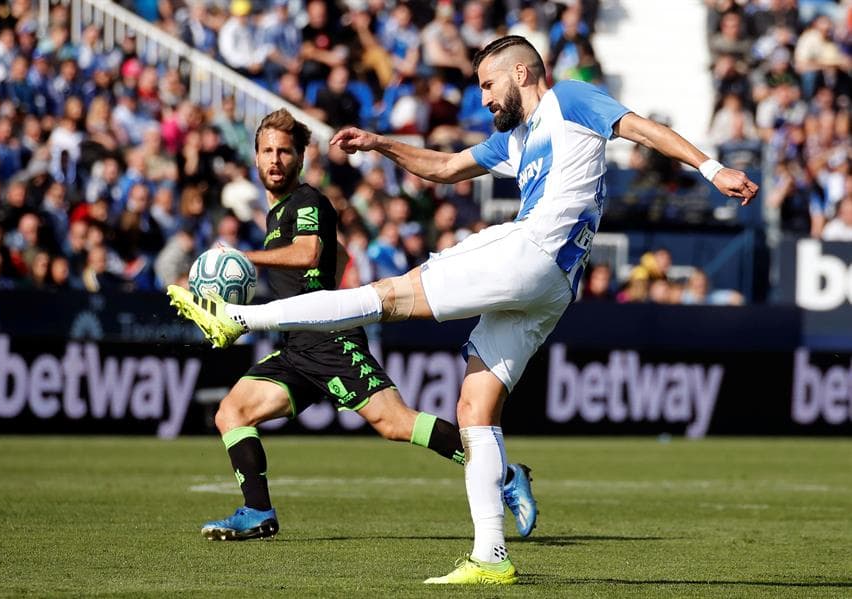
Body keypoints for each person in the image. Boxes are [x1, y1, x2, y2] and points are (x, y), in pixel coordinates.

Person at [169, 36, 759, 583]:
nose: (483, 98)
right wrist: (380, 144)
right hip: (554, 286)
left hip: (531, 250)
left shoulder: (570, 99)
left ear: (521, 73)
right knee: (475, 409)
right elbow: (446, 168)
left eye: (487, 85)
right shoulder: (516, 139)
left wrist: (712, 169)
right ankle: (490, 557)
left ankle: (238, 318)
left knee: (389, 297)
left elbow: (643, 129)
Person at [170, 109, 536, 543]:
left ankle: (505, 475)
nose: (275, 160)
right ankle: (257, 511)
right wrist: (326, 283)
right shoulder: (276, 213)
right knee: (232, 412)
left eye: (284, 151)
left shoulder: (307, 201)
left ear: (300, 158)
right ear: (255, 158)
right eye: (267, 151)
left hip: (330, 340)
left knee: (396, 424)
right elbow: (336, 255)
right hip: (297, 346)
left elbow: (309, 252)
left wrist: (242, 258)